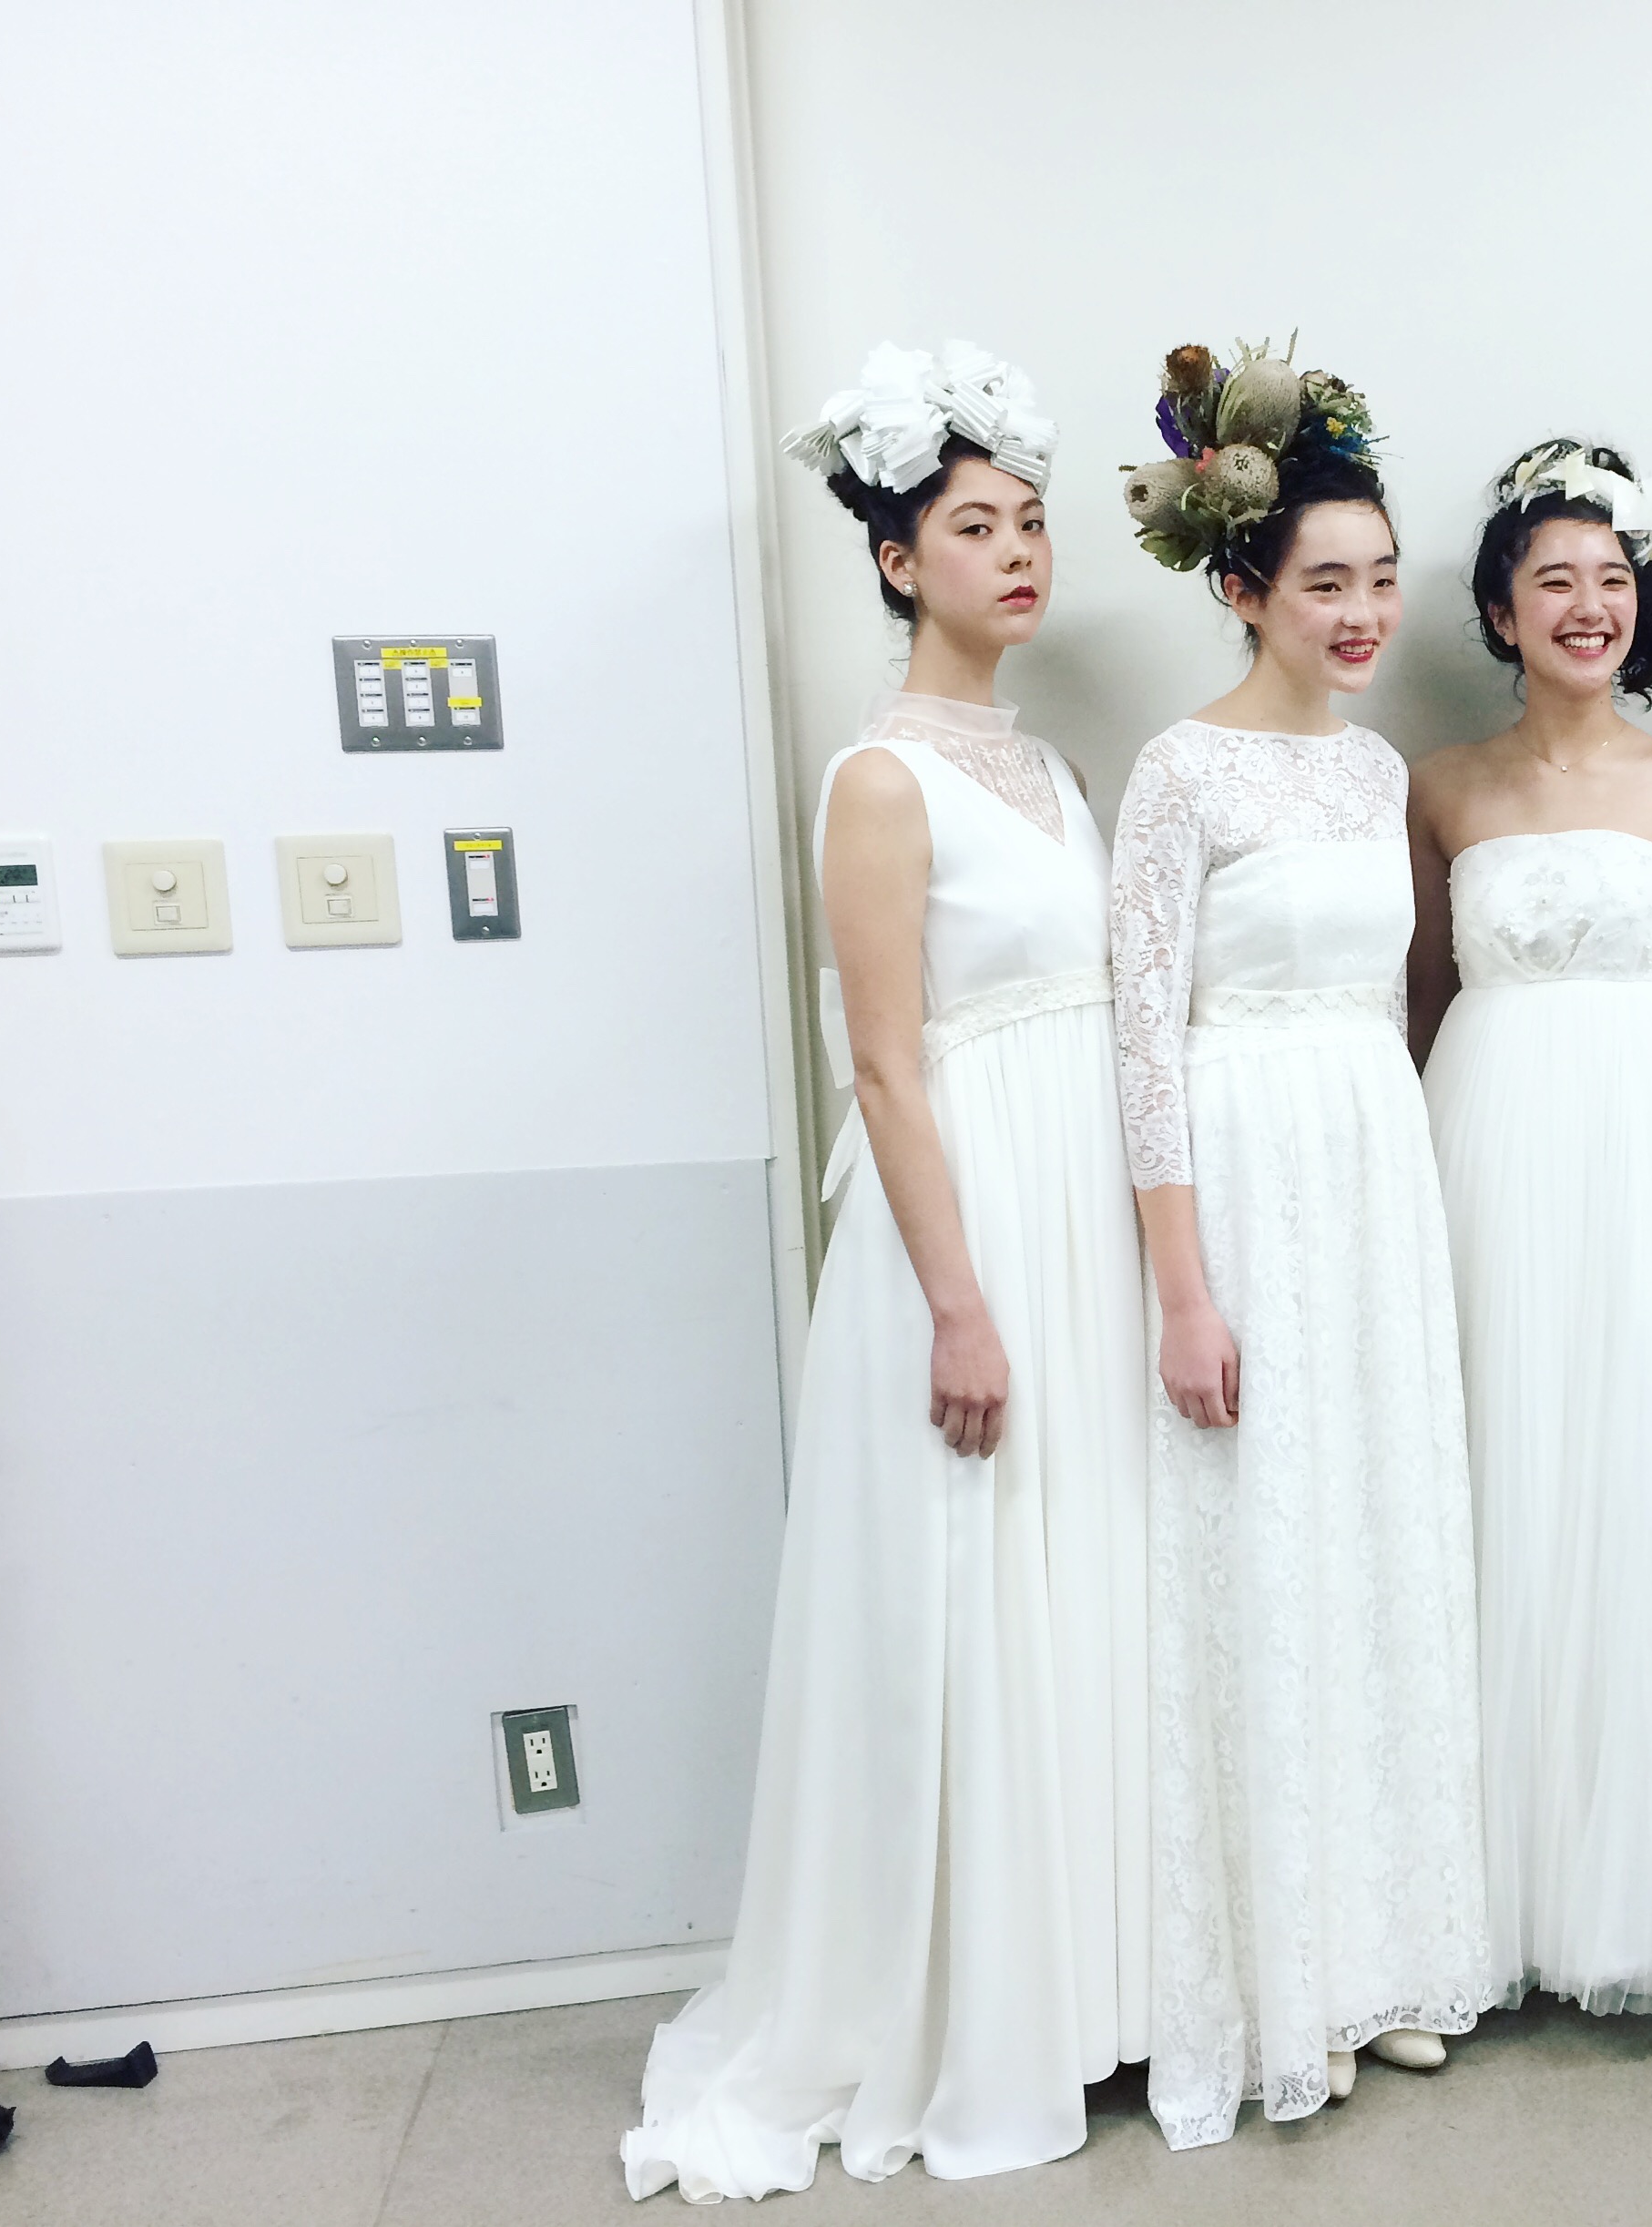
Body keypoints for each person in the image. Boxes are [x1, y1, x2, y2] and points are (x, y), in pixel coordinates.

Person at [622, 342, 1147, 2196]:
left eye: (1031, 523)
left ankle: (1085, 1982)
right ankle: (953, 2004)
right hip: (969, 1210)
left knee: (1073, 1576)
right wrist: (959, 1300)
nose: (1018, 553)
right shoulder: (876, 777)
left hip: (1078, 1192)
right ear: (896, 560)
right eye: (976, 527)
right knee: (965, 1590)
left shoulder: (1050, 761)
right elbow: (883, 1060)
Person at [1108, 342, 1494, 2149]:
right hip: (1246, 1165)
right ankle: (1286, 1977)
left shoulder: (1379, 767)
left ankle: (1390, 1953)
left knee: (1379, 1539)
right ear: (1241, 586)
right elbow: (1142, 1039)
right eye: (1324, 581)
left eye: (1380, 579)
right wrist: (1183, 1287)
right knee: (1266, 1556)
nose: (1360, 613)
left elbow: (1399, 993)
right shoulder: (1178, 773)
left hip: (1371, 1164)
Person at [1405, 439, 1652, 2021]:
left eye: (1612, 579)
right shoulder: (1440, 785)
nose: (1587, 605)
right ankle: (1482, 1895)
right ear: (1501, 612)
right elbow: (1426, 996)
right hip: (1487, 1131)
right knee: (1498, 1470)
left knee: (1643, 1473)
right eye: (1553, 579)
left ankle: (1639, 1890)